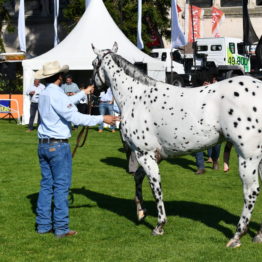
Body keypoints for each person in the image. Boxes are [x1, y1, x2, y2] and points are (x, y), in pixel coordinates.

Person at [35, 61, 119, 238]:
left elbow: (64, 103)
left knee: (46, 186)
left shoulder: (45, 93)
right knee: (61, 187)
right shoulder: (56, 94)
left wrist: (83, 92)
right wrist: (102, 118)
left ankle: (43, 226)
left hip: (43, 144)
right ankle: (61, 228)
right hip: (58, 146)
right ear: (59, 77)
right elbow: (73, 116)